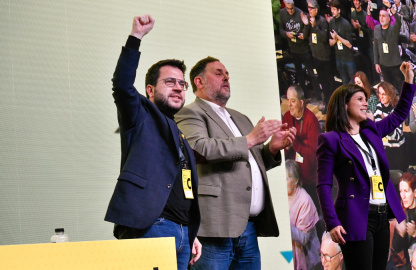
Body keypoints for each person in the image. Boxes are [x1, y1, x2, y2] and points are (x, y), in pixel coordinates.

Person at [176, 56, 296, 269]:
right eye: (219, 73)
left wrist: (272, 148)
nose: (226, 78)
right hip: (215, 228)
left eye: (227, 74)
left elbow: (250, 162)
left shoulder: (240, 118)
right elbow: (199, 149)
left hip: (248, 228)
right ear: (199, 82)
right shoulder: (189, 113)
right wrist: (251, 139)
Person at [104, 15, 201, 269]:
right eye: (170, 82)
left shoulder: (179, 134)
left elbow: (184, 187)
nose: (179, 88)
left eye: (182, 84)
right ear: (149, 90)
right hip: (151, 226)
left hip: (182, 234)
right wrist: (136, 36)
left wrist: (192, 232)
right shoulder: (140, 116)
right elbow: (122, 86)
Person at [316, 62, 415, 270]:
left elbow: (398, 115)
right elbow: (323, 185)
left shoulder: (370, 130)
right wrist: (332, 222)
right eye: (360, 100)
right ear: (345, 105)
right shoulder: (331, 140)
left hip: (381, 214)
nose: (365, 104)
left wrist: (408, 80)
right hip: (355, 216)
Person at [282, 85, 321, 216]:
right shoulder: (287, 116)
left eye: (293, 101)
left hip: (308, 176)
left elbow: (312, 157)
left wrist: (295, 144)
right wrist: (286, 145)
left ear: (301, 102)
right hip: (292, 171)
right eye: (288, 100)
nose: (289, 105)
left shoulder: (312, 121)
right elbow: (284, 150)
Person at [286, 160, 321, 270]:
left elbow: (303, 238)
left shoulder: (304, 200)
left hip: (308, 260)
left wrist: (283, 221)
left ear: (295, 180)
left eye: (286, 178)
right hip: (287, 254)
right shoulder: (281, 195)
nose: (282, 182)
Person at [279, 0, 319, 96]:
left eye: (292, 8)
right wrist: (286, 34)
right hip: (293, 49)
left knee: (311, 73)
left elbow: (307, 29)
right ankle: (304, 94)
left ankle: (318, 95)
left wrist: (304, 34)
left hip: (304, 49)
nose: (290, 11)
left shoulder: (300, 13)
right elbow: (281, 29)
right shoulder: (282, 13)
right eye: (288, 9)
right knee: (299, 73)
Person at [303, 0, 334, 101]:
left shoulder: (322, 21)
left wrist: (315, 26)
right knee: (321, 80)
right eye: (308, 8)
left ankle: (331, 100)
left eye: (311, 8)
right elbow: (305, 35)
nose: (309, 10)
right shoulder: (309, 19)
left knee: (328, 81)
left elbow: (324, 38)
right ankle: (325, 101)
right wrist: (307, 25)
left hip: (324, 57)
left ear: (316, 10)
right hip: (315, 56)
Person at [374, 81, 407, 171]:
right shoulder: (378, 107)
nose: (381, 97)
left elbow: (397, 136)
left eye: (384, 94)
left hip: (397, 151)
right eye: (380, 94)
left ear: (390, 95)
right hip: (384, 149)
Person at [373, 4, 404, 94]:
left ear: (389, 18)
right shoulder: (377, 29)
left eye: (384, 16)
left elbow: (398, 21)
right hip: (383, 64)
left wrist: (390, 7)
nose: (381, 18)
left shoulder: (393, 29)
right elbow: (375, 46)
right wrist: (376, 62)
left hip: (395, 64)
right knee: (388, 90)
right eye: (380, 16)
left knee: (400, 88)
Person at [328, 0, 357, 84]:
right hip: (338, 57)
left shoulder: (345, 23)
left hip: (348, 58)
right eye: (331, 9)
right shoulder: (331, 23)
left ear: (339, 10)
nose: (332, 11)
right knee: (344, 80)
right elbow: (330, 42)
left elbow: (349, 44)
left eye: (334, 9)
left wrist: (337, 37)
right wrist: (334, 40)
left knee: (353, 80)